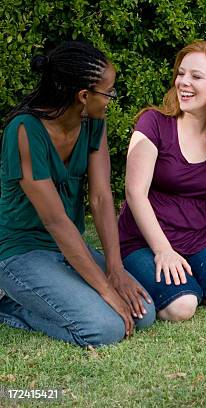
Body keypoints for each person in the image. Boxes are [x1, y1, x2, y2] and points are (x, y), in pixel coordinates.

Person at [0, 41, 155, 346]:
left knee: (144, 313)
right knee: (105, 329)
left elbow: (100, 198)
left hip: (66, 249)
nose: (112, 99)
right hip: (20, 252)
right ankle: (8, 306)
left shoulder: (93, 124)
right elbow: (56, 221)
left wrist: (115, 268)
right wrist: (105, 290)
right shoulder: (24, 131)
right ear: (84, 96)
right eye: (108, 92)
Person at [118, 40, 206, 321]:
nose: (183, 82)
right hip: (143, 239)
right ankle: (159, 277)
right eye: (181, 73)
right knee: (183, 305)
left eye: (196, 76)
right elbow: (135, 193)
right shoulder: (153, 123)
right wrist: (163, 251)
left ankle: (192, 277)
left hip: (196, 237)